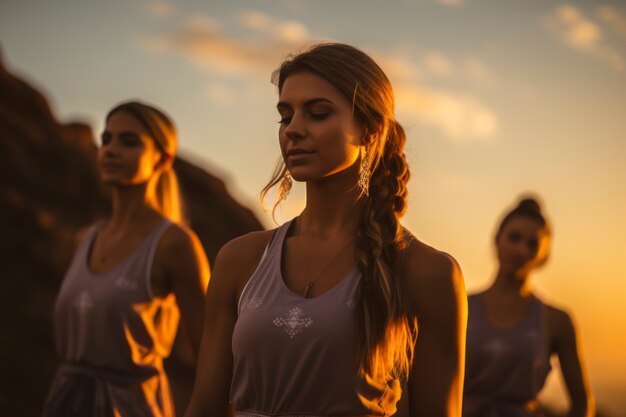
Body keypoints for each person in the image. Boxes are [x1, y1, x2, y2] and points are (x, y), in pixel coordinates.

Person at [184, 42, 467, 417]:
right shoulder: (239, 259)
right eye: (285, 116)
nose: (293, 130)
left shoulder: (426, 271)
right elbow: (204, 407)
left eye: (317, 113)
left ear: (370, 131)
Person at [43, 100, 210, 417]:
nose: (111, 149)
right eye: (106, 139)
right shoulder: (85, 239)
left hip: (132, 407)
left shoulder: (175, 244)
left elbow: (210, 353)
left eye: (129, 141)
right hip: (64, 402)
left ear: (162, 159)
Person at [462, 196, 595, 417]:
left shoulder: (557, 321)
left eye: (532, 243)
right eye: (514, 238)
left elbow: (582, 402)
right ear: (497, 239)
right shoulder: (460, 306)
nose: (521, 250)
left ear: (543, 255)